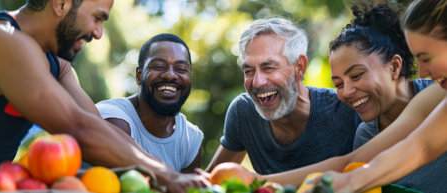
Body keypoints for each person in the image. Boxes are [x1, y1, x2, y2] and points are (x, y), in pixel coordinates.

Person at [0, 1, 209, 192]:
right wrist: (168, 176)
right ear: (61, 4)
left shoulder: (58, 65)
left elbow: (98, 127)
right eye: (97, 18)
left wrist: (163, 173)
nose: (98, 33)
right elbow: (77, 128)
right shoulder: (3, 38)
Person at [313, 0, 447, 192]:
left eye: (427, 58)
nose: (423, 72)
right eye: (338, 84)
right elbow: (417, 148)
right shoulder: (368, 133)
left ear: (394, 66)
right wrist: (349, 182)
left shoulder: (436, 94)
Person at [205, 17, 361, 175]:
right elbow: (210, 182)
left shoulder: (346, 108)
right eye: (249, 71)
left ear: (299, 67)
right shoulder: (244, 113)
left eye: (269, 68)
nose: (257, 82)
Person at [96, 33, 203, 173]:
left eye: (181, 69)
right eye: (159, 66)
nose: (170, 75)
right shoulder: (113, 118)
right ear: (139, 75)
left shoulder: (190, 140)